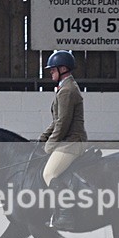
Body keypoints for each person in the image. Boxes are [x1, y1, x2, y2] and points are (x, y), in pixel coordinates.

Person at [39, 50, 88, 227]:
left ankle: (67, 214)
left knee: (49, 173)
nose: (50, 72)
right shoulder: (64, 89)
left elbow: (63, 123)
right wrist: (42, 138)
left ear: (63, 69)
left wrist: (49, 145)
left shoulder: (67, 91)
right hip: (67, 140)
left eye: (53, 70)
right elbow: (57, 121)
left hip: (72, 142)